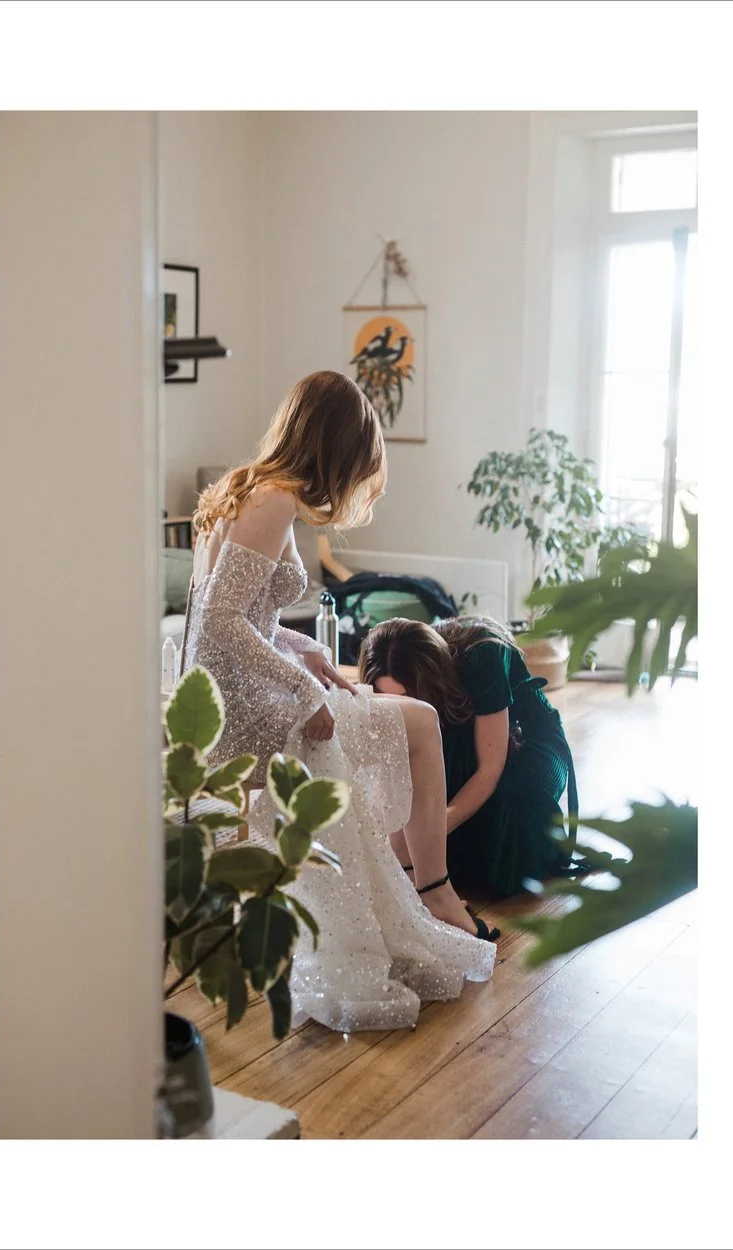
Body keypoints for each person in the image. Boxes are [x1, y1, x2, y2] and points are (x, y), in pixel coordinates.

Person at [181, 370, 494, 1033]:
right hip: (249, 713)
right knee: (421, 723)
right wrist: (301, 691)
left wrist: (308, 653)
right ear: (335, 448)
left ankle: (411, 882)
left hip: (242, 692)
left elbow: (243, 619)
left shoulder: (255, 490)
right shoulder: (271, 502)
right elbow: (219, 626)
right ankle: (432, 891)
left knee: (408, 725)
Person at [358, 616, 583, 900]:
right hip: (453, 731)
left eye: (408, 697)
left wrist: (433, 830)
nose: (402, 708)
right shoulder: (389, 666)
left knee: (511, 819)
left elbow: (489, 770)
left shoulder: (481, 657)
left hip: (525, 737)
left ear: (429, 682)